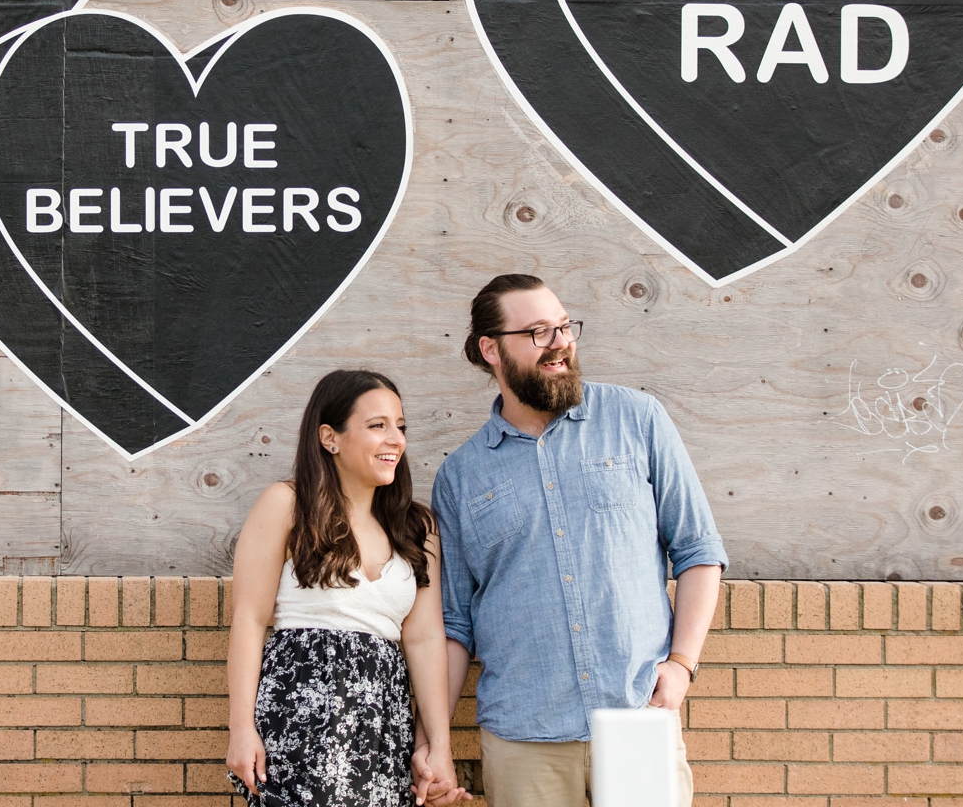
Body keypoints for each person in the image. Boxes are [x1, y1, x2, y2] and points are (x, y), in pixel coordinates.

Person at [431, 274, 727, 807]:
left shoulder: (637, 420)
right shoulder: (461, 477)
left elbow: (698, 551)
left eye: (566, 327)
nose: (562, 342)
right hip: (524, 740)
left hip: (638, 718)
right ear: (490, 348)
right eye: (540, 332)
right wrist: (434, 741)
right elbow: (455, 621)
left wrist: (682, 665)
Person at [227, 369, 472, 807]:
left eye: (400, 426)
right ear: (329, 438)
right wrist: (240, 728)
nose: (395, 439)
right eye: (377, 425)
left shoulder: (418, 527)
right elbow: (249, 619)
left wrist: (438, 746)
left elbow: (425, 637)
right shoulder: (286, 504)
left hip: (383, 723)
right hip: (299, 716)